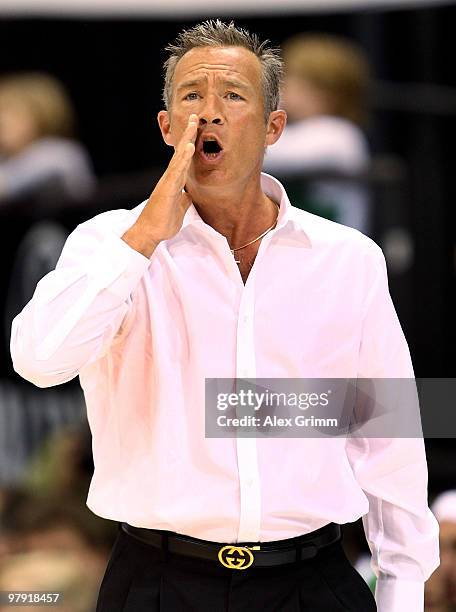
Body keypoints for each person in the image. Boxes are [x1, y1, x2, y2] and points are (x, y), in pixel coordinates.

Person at [10, 19, 439, 612]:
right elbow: (38, 362)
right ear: (166, 126)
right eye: (191, 96)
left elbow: (389, 432)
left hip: (313, 581)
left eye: (232, 95)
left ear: (273, 127)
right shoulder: (107, 243)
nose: (208, 112)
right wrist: (141, 241)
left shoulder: (348, 260)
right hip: (158, 580)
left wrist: (402, 588)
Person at [263, 34, 372, 234]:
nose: (280, 86)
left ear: (324, 91)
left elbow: (259, 154)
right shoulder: (301, 131)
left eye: (291, 78)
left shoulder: (340, 134)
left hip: (337, 253)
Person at [0, 72, 95, 203]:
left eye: (9, 111)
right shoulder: (6, 159)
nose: (2, 121)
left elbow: (8, 184)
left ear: (42, 114)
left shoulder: (59, 153)